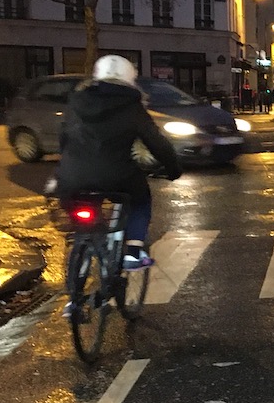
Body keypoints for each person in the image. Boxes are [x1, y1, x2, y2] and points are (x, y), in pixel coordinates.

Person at [55, 55, 181, 272]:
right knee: (140, 200)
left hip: (71, 176)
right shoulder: (131, 106)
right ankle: (133, 253)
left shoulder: (77, 101)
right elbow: (156, 143)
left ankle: (74, 299)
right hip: (116, 175)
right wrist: (173, 169)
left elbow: (64, 138)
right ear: (130, 79)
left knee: (83, 219)